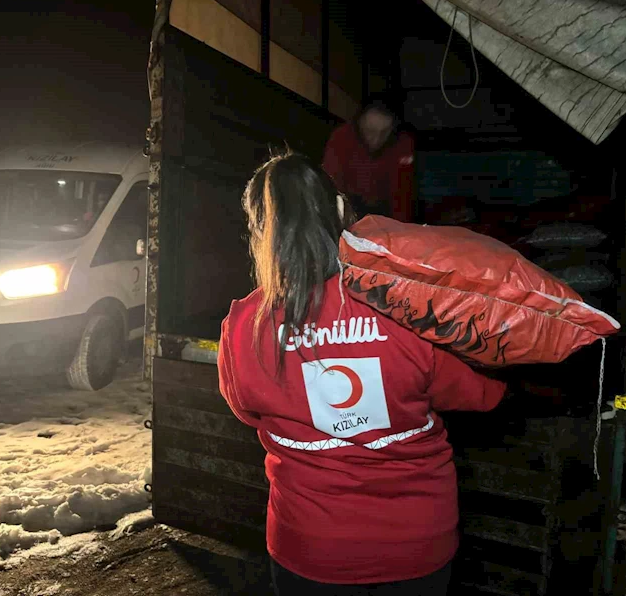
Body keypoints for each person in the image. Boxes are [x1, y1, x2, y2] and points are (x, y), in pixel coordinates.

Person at [217, 152, 507, 595]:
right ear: (337, 210)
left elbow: (247, 410)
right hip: (416, 546)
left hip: (308, 547)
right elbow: (483, 394)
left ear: (259, 228)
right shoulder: (405, 307)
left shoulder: (244, 325)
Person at [322, 94, 416, 223]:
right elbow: (331, 187)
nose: (376, 140)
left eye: (384, 133)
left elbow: (402, 198)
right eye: (371, 131)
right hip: (349, 207)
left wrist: (401, 234)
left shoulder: (403, 143)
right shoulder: (341, 137)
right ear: (360, 123)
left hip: (385, 213)